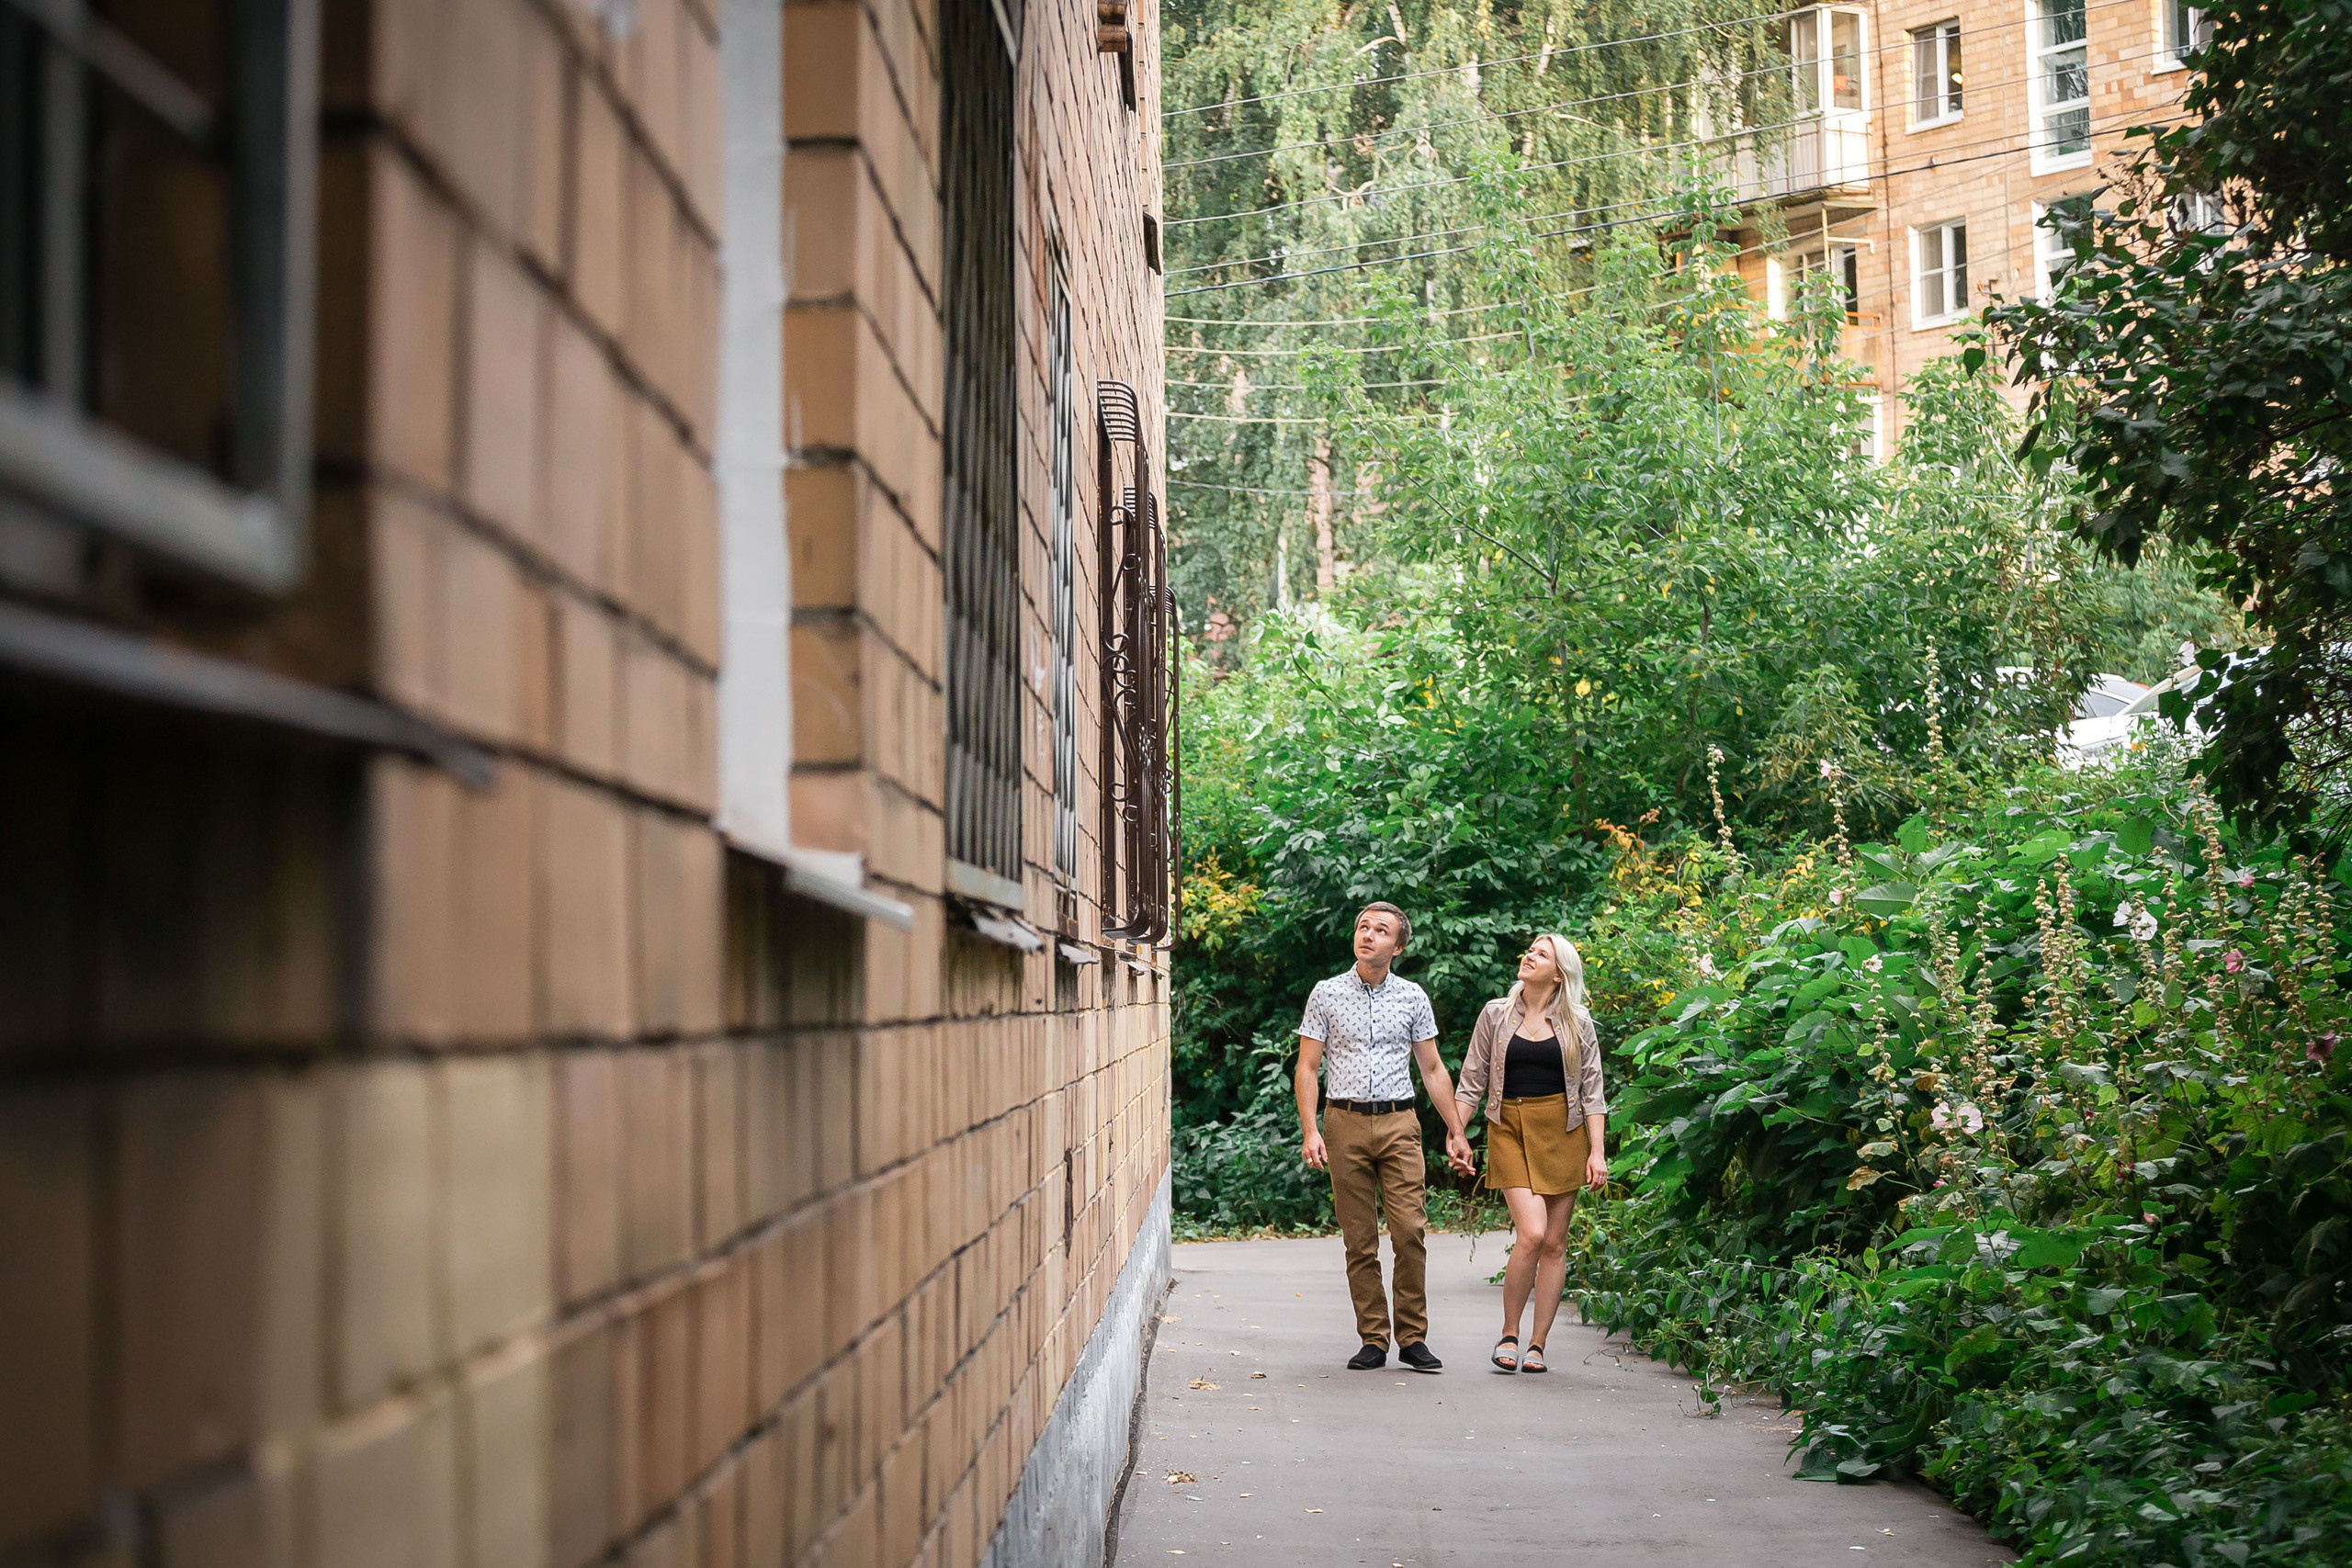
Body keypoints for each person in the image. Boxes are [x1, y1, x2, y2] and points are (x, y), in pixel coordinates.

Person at [1296, 901, 1476, 1371]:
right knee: (1359, 1239)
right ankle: (1373, 1338)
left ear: (1397, 945)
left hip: (1400, 1123)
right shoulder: (1326, 994)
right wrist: (1311, 1128)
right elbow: (1308, 1066)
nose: (1368, 935)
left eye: (1381, 930)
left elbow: (1433, 1068)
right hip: (1344, 1122)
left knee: (1410, 1231)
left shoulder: (1413, 997)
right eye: (1362, 926)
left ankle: (1413, 1338)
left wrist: (1457, 1130)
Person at [1453, 933, 1609, 1374]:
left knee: (1556, 1244)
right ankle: (1509, 1332)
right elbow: (1472, 1080)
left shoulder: (1579, 1023)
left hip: (1564, 1130)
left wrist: (1597, 1152)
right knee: (1533, 1234)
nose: (1529, 956)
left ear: (1558, 973)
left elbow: (1593, 1093)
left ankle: (1538, 1344)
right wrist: (1457, 1132)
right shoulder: (1495, 1015)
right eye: (1530, 950)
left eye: (1540, 954)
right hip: (1510, 1129)